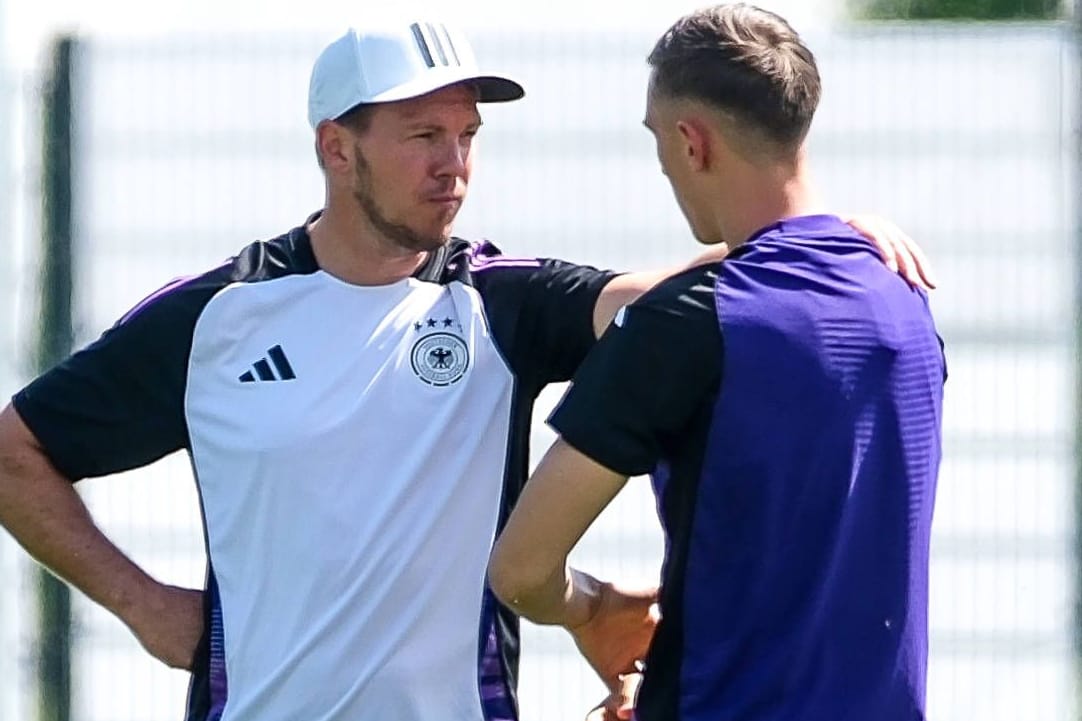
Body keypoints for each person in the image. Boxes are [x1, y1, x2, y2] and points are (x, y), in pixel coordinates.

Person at [0, 15, 932, 721]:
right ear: (337, 147)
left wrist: (821, 235)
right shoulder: (213, 318)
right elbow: (16, 450)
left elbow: (666, 297)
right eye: (422, 136)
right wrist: (143, 605)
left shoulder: (506, 301)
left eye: (467, 137)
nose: (454, 165)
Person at [489, 5, 947, 721]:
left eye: (657, 141)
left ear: (691, 142)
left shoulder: (685, 325)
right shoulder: (904, 296)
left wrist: (592, 607)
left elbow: (519, 569)